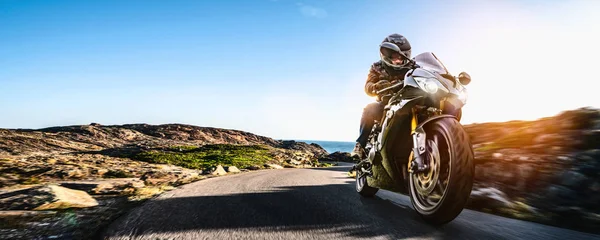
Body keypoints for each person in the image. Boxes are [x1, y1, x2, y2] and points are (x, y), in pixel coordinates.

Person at [351, 33, 413, 159]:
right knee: (369, 109)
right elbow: (368, 86)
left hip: (409, 101)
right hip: (387, 104)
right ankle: (360, 145)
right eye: (395, 57)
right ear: (387, 56)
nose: (399, 60)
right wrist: (377, 86)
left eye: (402, 56)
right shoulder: (377, 67)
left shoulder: (413, 66)